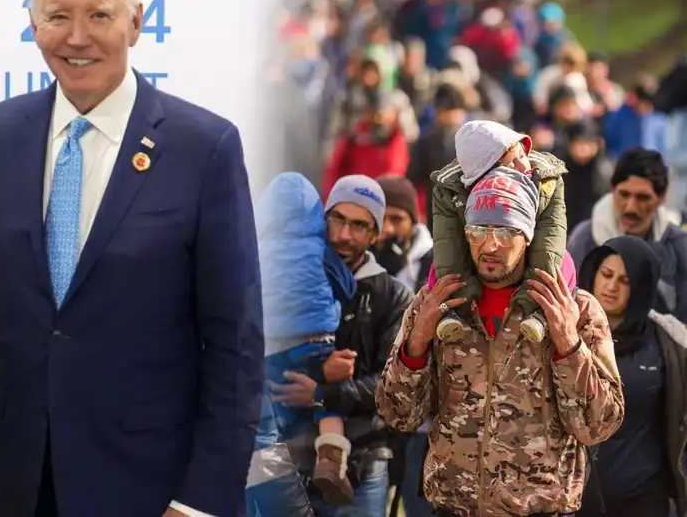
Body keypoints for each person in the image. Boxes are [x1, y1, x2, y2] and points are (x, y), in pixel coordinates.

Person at [0, 0, 263, 517]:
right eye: (58, 15)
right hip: (16, 485)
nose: (76, 37)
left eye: (99, 15)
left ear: (136, 21)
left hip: (153, 490)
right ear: (32, 22)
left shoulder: (204, 148)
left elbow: (234, 345)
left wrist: (203, 498)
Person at [376, 165, 625, 517]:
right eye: (478, 230)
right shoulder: (438, 304)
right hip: (453, 508)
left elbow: (601, 423)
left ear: (528, 235)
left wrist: (568, 344)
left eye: (506, 231)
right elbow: (397, 414)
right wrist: (417, 344)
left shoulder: (574, 308)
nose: (490, 245)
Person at [273, 175, 413, 517]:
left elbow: (393, 384)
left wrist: (324, 393)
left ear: (375, 233)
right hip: (285, 459)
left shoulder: (393, 296)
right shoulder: (288, 277)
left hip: (364, 460)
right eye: (337, 219)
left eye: (359, 225)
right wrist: (317, 373)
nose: (343, 235)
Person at [247, 172, 357, 513]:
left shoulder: (256, 249)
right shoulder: (320, 250)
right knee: (330, 396)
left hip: (268, 348)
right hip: (315, 342)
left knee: (271, 417)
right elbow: (347, 287)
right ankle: (331, 454)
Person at [576, 236, 687, 517]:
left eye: (625, 281)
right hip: (572, 497)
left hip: (643, 497)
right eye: (607, 274)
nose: (611, 287)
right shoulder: (563, 332)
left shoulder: (669, 343)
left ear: (641, 287)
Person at [430, 120, 567, 345]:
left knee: (557, 265)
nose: (524, 166)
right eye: (511, 164)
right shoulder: (450, 188)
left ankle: (538, 315)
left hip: (525, 252)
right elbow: (449, 245)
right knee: (442, 269)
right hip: (475, 249)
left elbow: (551, 236)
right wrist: (456, 300)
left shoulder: (545, 179)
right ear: (482, 173)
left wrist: (532, 300)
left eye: (522, 154)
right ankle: (453, 314)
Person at [567, 148, 687, 321]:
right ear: (612, 190)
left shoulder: (677, 247)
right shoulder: (585, 240)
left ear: (662, 197)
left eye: (643, 198)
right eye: (624, 194)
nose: (630, 207)